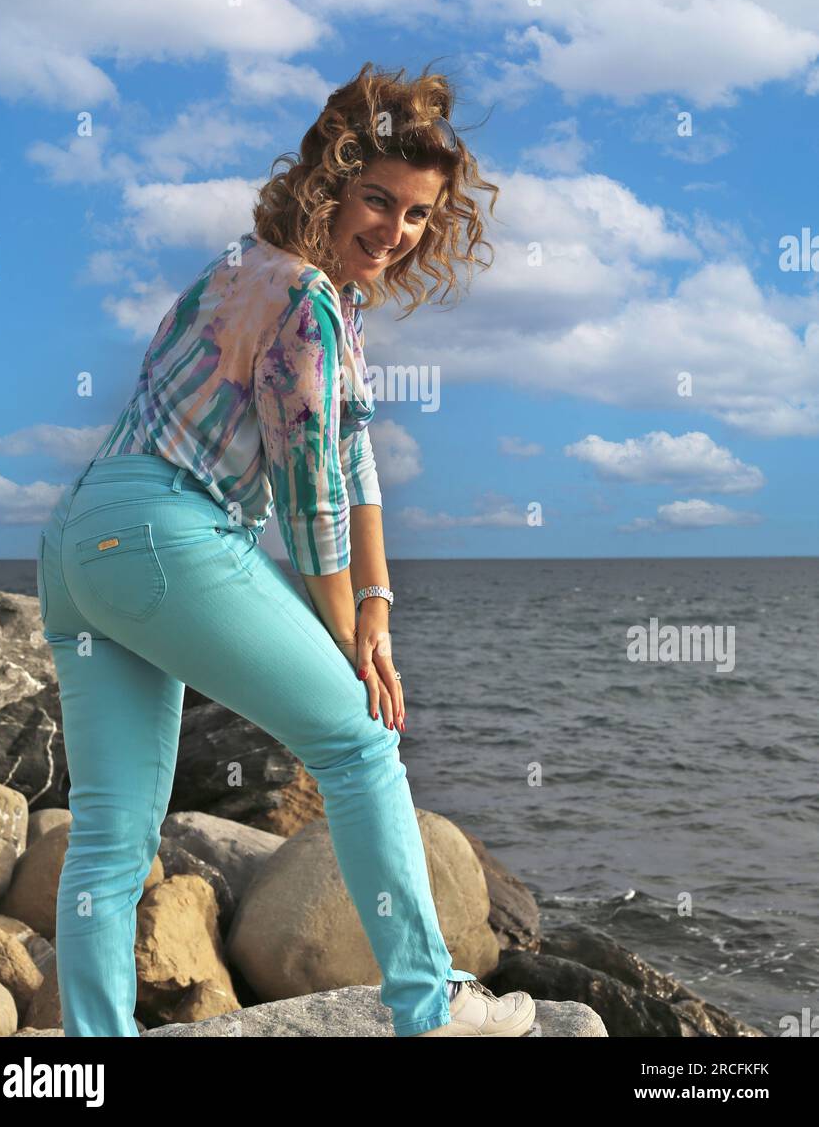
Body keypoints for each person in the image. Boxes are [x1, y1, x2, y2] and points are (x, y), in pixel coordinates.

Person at [35, 60, 536, 1038]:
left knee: (107, 836)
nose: (394, 230)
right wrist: (351, 643)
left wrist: (379, 611)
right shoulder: (303, 301)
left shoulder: (263, 275)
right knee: (357, 739)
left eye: (417, 215)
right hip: (165, 531)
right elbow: (311, 499)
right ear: (332, 184)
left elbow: (357, 469)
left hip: (81, 546)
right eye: (377, 200)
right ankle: (427, 1009)